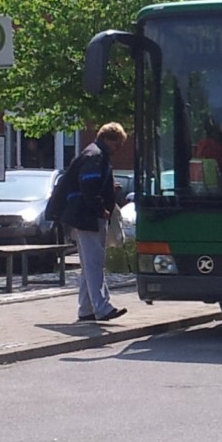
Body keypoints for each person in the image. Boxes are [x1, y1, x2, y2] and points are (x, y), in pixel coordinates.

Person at [63, 122, 128, 323]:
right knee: (95, 263)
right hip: (89, 217)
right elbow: (89, 186)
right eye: (117, 145)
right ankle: (102, 308)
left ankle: (86, 309)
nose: (117, 150)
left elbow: (89, 183)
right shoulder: (97, 156)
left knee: (88, 264)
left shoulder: (90, 153)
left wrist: (109, 188)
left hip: (81, 216)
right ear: (110, 139)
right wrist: (102, 208)